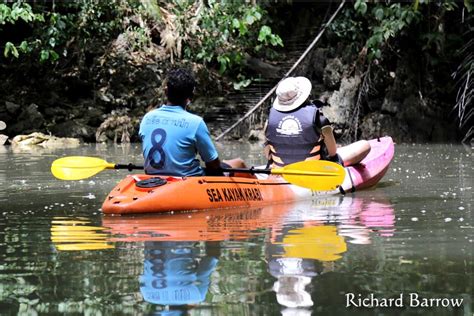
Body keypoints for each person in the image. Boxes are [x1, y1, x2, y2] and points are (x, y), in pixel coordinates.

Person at [139, 68, 246, 177]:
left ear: (166, 91)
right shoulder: (195, 123)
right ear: (190, 96)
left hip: (154, 178)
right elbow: (213, 165)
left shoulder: (147, 118)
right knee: (239, 163)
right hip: (187, 181)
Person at [264, 76, 371, 169]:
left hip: (281, 170)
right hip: (313, 172)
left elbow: (268, 155)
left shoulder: (269, 121)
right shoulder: (320, 120)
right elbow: (332, 153)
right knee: (365, 145)